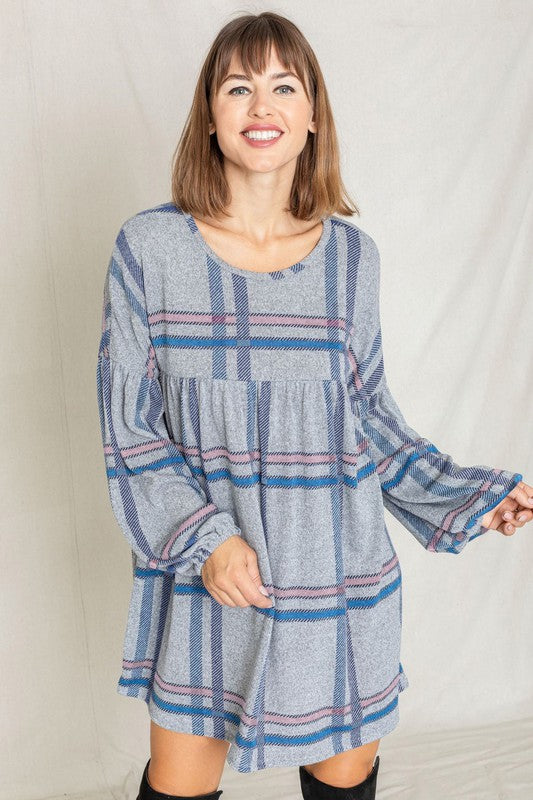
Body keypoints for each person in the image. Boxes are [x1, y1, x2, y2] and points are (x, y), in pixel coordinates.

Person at [96, 11, 532, 800]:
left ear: (311, 117)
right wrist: (207, 540)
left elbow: (369, 420)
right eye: (238, 87)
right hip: (210, 574)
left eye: (282, 88)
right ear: (210, 114)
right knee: (180, 781)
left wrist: (471, 495)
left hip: (337, 574)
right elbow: (129, 430)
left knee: (342, 780)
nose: (260, 107)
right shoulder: (148, 252)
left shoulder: (350, 262)